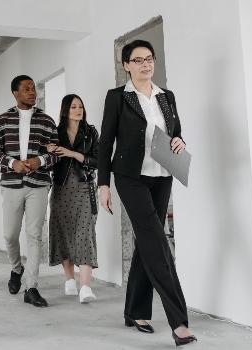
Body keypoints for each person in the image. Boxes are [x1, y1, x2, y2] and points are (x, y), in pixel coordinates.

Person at [97, 40, 197, 346]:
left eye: (149, 59)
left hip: (163, 173)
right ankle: (179, 322)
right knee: (158, 241)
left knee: (147, 241)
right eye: (138, 60)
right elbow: (106, 142)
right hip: (130, 176)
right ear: (126, 65)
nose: (145, 65)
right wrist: (103, 183)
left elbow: (174, 130)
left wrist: (179, 140)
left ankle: (134, 310)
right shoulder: (118, 97)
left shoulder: (166, 96)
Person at [0, 75, 60, 308]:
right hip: (10, 184)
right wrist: (12, 164)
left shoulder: (47, 121)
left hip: (38, 184)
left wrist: (40, 160)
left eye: (34, 89)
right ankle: (16, 269)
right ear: (15, 93)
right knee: (9, 235)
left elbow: (55, 153)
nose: (32, 92)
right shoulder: (1, 120)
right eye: (27, 89)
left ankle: (31, 287)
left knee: (34, 235)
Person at [46, 94, 100, 304]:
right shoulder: (56, 133)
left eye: (81, 106)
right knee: (63, 232)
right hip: (61, 188)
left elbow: (98, 160)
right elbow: (47, 163)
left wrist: (72, 153)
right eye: (74, 107)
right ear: (65, 110)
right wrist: (49, 151)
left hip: (85, 187)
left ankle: (85, 286)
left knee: (85, 233)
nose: (79, 110)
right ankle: (70, 280)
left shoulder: (90, 132)